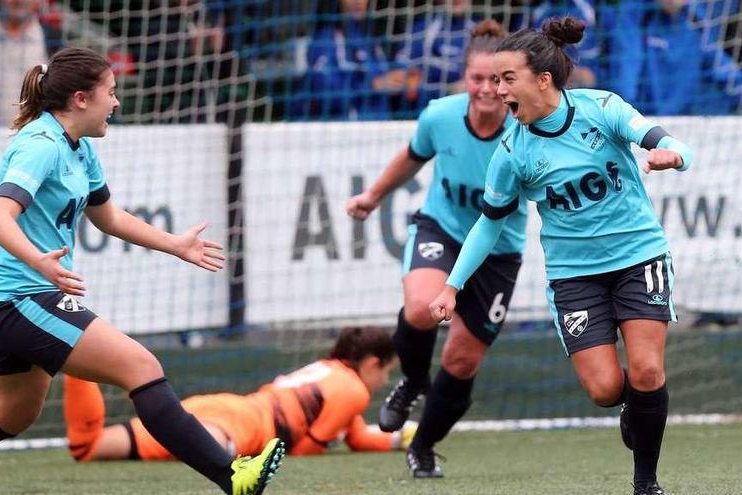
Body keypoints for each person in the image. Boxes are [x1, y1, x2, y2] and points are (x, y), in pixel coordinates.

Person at [0, 47, 283, 495]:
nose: (116, 102)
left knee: (12, 415)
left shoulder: (81, 147)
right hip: (18, 298)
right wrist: (37, 260)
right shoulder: (40, 146)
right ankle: (234, 477)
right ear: (79, 98)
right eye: (110, 93)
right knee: (141, 366)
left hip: (19, 296)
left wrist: (175, 245)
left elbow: (108, 217)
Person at [428, 17, 693, 495]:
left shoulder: (601, 108)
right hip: (575, 277)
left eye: (507, 79)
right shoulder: (512, 149)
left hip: (639, 258)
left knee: (648, 369)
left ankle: (645, 483)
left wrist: (671, 155)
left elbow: (664, 140)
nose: (498, 90)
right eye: (493, 79)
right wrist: (452, 284)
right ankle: (637, 406)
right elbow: (489, 222)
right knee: (606, 390)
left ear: (542, 80)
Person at [346, 20, 526, 479]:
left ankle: (422, 445)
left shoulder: (526, 130)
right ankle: (412, 379)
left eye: (498, 80)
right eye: (478, 79)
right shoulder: (440, 116)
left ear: (511, 82)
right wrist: (373, 196)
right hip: (441, 230)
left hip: (498, 252)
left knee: (462, 360)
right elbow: (412, 155)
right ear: (464, 77)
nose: (487, 89)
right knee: (424, 307)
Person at [63, 327, 417, 462]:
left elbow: (354, 435)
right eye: (386, 371)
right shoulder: (353, 389)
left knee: (87, 446)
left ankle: (71, 358)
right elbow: (306, 448)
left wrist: (404, 437)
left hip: (225, 407)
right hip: (244, 429)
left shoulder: (328, 371)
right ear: (372, 363)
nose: (384, 381)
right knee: (214, 459)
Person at [602, 0, 742, 115]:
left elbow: (723, 69)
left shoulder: (696, 20)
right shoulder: (634, 16)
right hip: (642, 121)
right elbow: (626, 76)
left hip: (684, 122)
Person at [288, 0, 411, 120]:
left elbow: (385, 89)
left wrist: (403, 82)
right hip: (343, 133)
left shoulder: (372, 41)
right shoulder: (325, 40)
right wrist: (372, 86)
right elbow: (324, 94)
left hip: (379, 130)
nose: (358, 1)